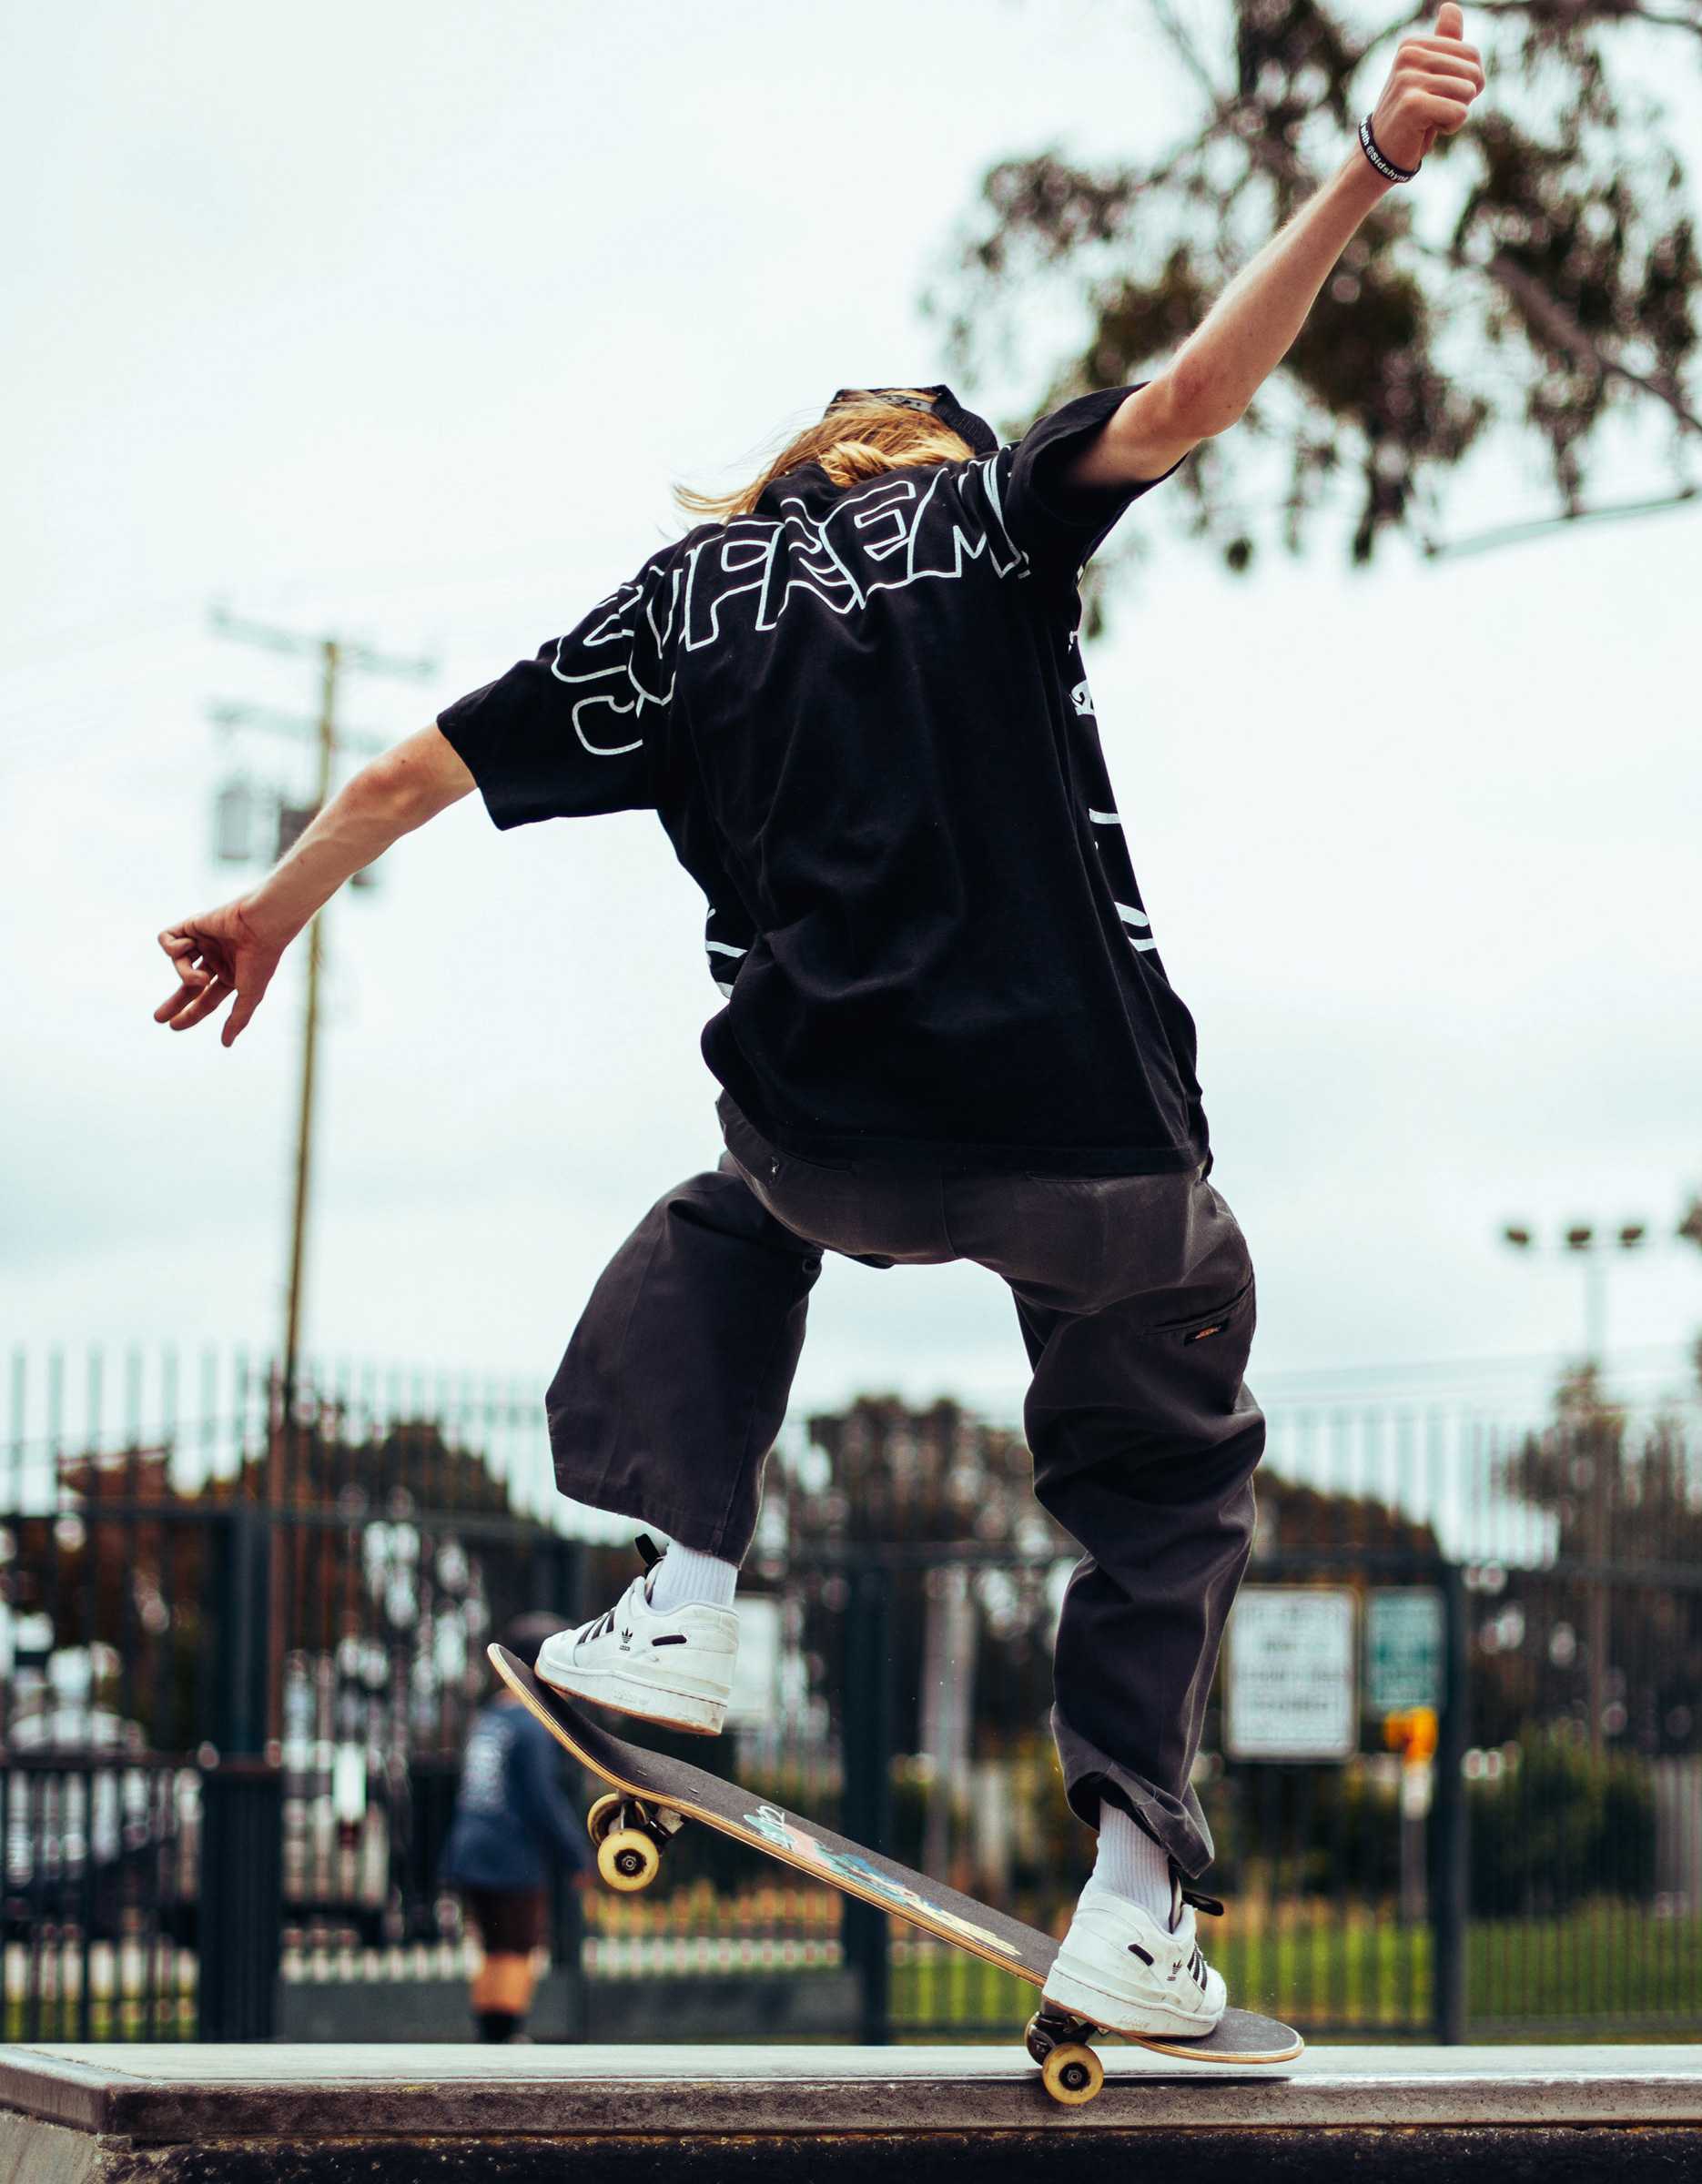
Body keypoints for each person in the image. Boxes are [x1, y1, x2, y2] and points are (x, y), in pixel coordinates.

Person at [155, 16, 1483, 2043]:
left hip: (828, 1130)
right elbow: (1206, 387)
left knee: (725, 1224)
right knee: (1168, 1466)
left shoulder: (688, 602)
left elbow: (425, 768)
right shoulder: (991, 513)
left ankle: (684, 1600)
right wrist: (1371, 166)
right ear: (930, 453)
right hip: (1104, 1147)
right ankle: (1135, 1893)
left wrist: (270, 908)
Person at [441, 1612, 592, 2042]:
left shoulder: (491, 1716)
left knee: (490, 1946)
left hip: (472, 1844)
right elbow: (543, 1797)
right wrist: (575, 1854)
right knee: (518, 1946)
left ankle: (488, 2035)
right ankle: (507, 2037)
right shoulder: (531, 1723)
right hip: (511, 1851)